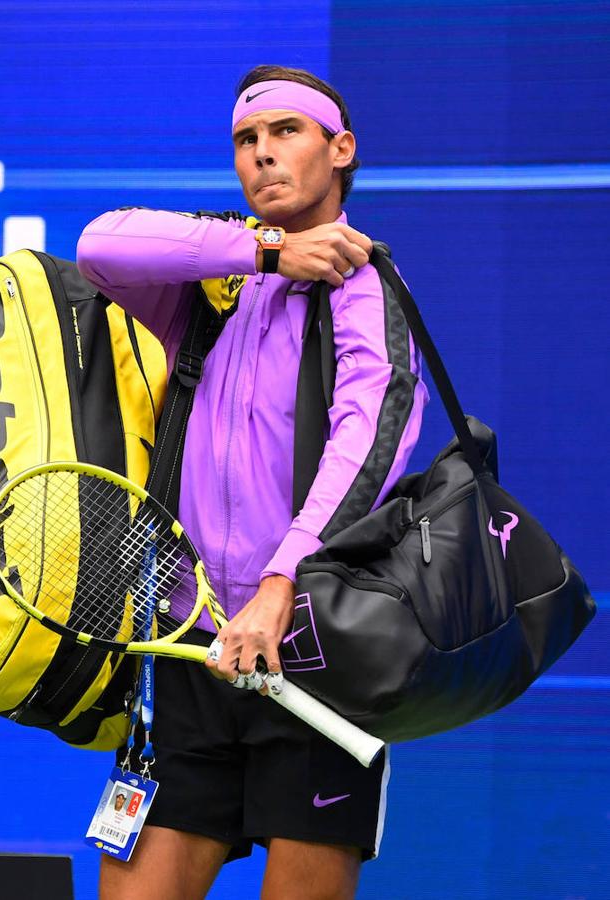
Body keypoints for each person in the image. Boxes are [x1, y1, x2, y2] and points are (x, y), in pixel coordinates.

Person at [75, 65, 429, 900]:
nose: (263, 156)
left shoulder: (369, 287)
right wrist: (266, 249)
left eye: (286, 133)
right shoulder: (216, 286)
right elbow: (99, 245)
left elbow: (365, 451)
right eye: (246, 139)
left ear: (338, 150)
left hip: (313, 650)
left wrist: (281, 582)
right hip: (191, 647)